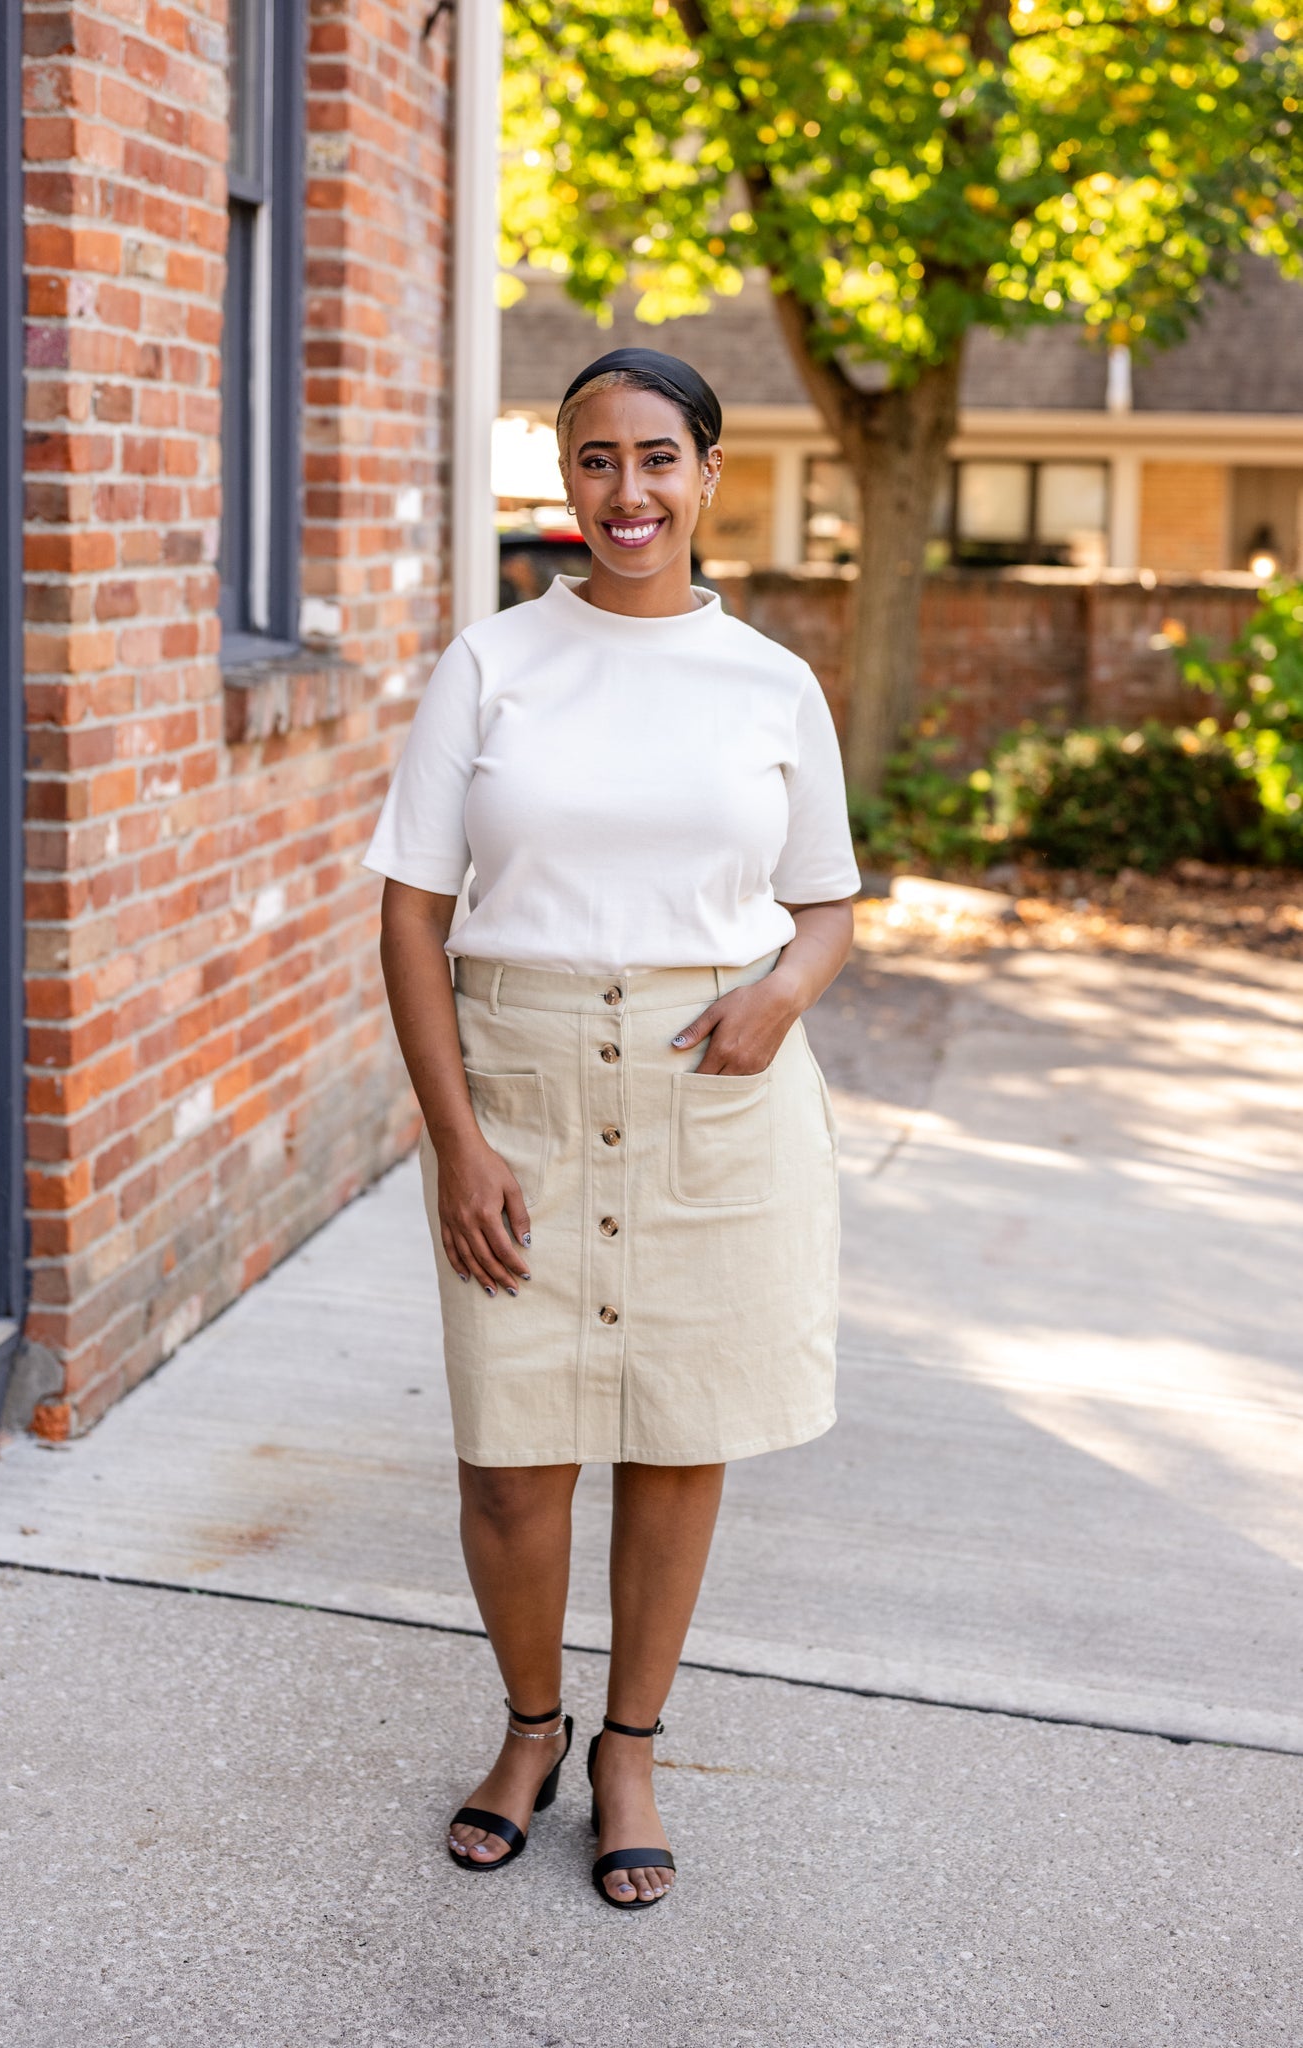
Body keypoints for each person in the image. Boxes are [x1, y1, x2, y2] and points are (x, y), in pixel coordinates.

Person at [364, 347, 858, 1909]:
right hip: (517, 1089)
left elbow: (828, 907)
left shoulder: (771, 681)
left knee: (673, 1437)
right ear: (562, 480)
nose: (626, 492)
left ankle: (628, 1746)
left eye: (657, 459)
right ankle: (530, 1724)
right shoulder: (490, 661)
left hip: (709, 1091)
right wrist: (455, 1138)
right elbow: (410, 912)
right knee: (512, 1459)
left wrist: (782, 994)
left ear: (708, 474)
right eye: (594, 461)